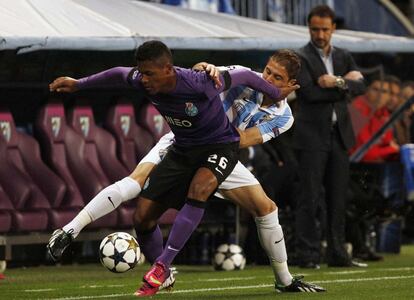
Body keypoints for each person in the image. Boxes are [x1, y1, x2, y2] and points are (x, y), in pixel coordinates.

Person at [47, 44, 322, 295]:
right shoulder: (245, 77)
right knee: (136, 184)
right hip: (183, 140)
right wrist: (206, 67)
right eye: (267, 71)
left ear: (291, 85)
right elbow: (204, 71)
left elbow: (243, 139)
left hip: (222, 151)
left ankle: (284, 280)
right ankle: (72, 230)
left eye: (276, 78)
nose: (268, 79)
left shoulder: (284, 118)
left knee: (266, 208)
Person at [293, 5, 366, 268]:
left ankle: (338, 253)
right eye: (315, 29)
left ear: (333, 28)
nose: (320, 34)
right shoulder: (300, 57)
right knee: (309, 197)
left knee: (338, 198)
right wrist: (345, 85)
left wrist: (334, 81)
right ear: (309, 28)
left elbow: (362, 85)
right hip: (311, 136)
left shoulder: (344, 56)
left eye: (325, 29)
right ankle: (308, 254)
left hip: (339, 136)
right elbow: (309, 93)